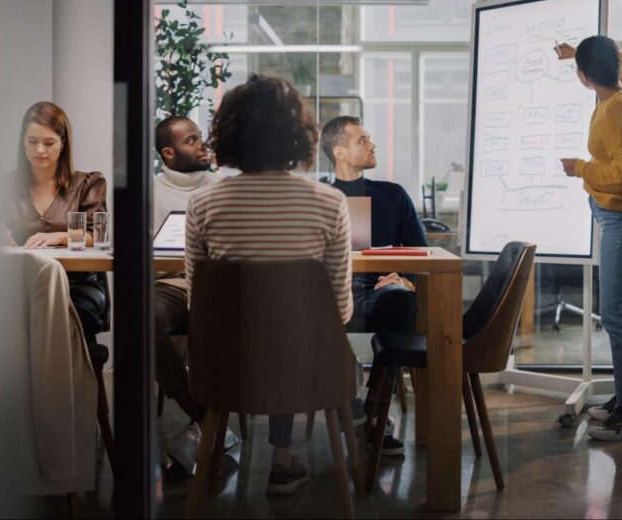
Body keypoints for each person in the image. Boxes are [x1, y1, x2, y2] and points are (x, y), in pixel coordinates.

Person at [185, 74, 353, 495]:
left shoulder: (202, 203)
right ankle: (283, 460)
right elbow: (340, 311)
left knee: (262, 329)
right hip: (310, 371)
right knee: (290, 331)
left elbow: (198, 304)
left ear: (227, 134)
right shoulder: (330, 202)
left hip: (228, 370)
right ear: (299, 134)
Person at [557, 36, 622, 441]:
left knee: (617, 314)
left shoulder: (618, 109)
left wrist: (581, 168)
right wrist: (576, 54)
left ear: (583, 78)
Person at [320, 115, 428, 457]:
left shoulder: (392, 194)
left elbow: (420, 250)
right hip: (327, 296)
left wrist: (405, 277)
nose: (372, 145)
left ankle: (374, 415)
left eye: (370, 139)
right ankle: (352, 405)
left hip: (378, 293)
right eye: (362, 140)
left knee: (400, 300)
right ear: (339, 151)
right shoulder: (318, 196)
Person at [151, 115, 228, 475]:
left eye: (201, 138)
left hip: (213, 286)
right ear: (168, 153)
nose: (202, 145)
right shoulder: (149, 191)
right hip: (170, 285)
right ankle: (201, 415)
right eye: (192, 140)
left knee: (217, 324)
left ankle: (207, 423)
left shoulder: (220, 186)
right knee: (141, 318)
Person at [4, 101, 110, 341]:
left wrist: (60, 237)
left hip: (76, 283)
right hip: (21, 282)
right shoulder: (5, 186)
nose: (40, 150)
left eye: (49, 143)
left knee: (53, 312)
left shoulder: (88, 184)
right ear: (23, 143)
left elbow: (96, 236)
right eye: (32, 142)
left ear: (63, 144)